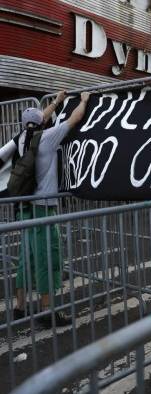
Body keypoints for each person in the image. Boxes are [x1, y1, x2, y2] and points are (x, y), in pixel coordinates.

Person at [0, 91, 90, 327]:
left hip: (24, 207)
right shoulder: (48, 137)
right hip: (43, 207)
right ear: (42, 122)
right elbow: (74, 119)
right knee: (47, 257)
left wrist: (56, 103)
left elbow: (41, 117)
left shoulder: (20, 139)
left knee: (25, 257)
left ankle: (19, 307)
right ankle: (48, 312)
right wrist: (84, 100)